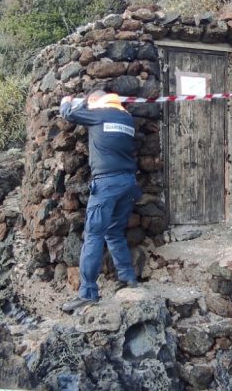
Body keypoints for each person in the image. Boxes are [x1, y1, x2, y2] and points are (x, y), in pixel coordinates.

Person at [59, 90, 141, 314]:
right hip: (128, 183)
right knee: (114, 232)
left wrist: (67, 102)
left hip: (106, 184)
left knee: (93, 235)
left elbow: (68, 114)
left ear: (96, 102)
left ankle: (87, 293)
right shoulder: (126, 118)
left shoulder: (100, 114)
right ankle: (128, 277)